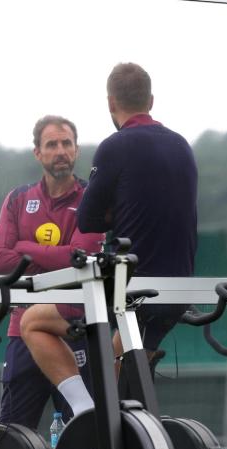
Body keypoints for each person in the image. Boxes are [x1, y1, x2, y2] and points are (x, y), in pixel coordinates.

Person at [19, 63, 197, 415]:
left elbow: (87, 219)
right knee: (119, 383)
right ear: (151, 99)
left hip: (129, 292)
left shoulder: (114, 147)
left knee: (32, 321)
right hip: (177, 290)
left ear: (111, 103)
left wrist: (115, 208)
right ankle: (117, 434)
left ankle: (85, 415)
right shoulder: (182, 145)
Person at [0, 115, 105, 428]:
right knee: (10, 434)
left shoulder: (92, 197)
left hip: (74, 325)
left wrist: (26, 249)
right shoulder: (18, 198)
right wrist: (59, 256)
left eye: (67, 143)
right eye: (51, 144)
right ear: (37, 153)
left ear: (77, 150)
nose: (60, 151)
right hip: (21, 329)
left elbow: (81, 258)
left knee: (83, 433)